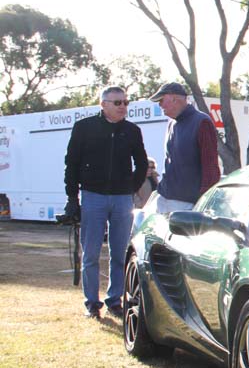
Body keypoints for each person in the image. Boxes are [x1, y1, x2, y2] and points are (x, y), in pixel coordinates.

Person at [64, 86, 148, 318]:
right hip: (92, 197)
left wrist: (131, 187)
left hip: (122, 199)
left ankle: (115, 301)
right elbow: (71, 163)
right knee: (90, 253)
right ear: (103, 104)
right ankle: (92, 303)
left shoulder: (132, 131)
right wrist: (72, 197)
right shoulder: (84, 128)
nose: (123, 107)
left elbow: (141, 162)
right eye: (117, 102)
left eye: (126, 102)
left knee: (120, 252)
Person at [148, 82, 220, 213]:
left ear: (174, 99)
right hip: (165, 197)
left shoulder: (202, 122)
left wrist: (203, 203)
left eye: (161, 100)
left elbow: (210, 168)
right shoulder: (172, 124)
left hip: (186, 204)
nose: (160, 105)